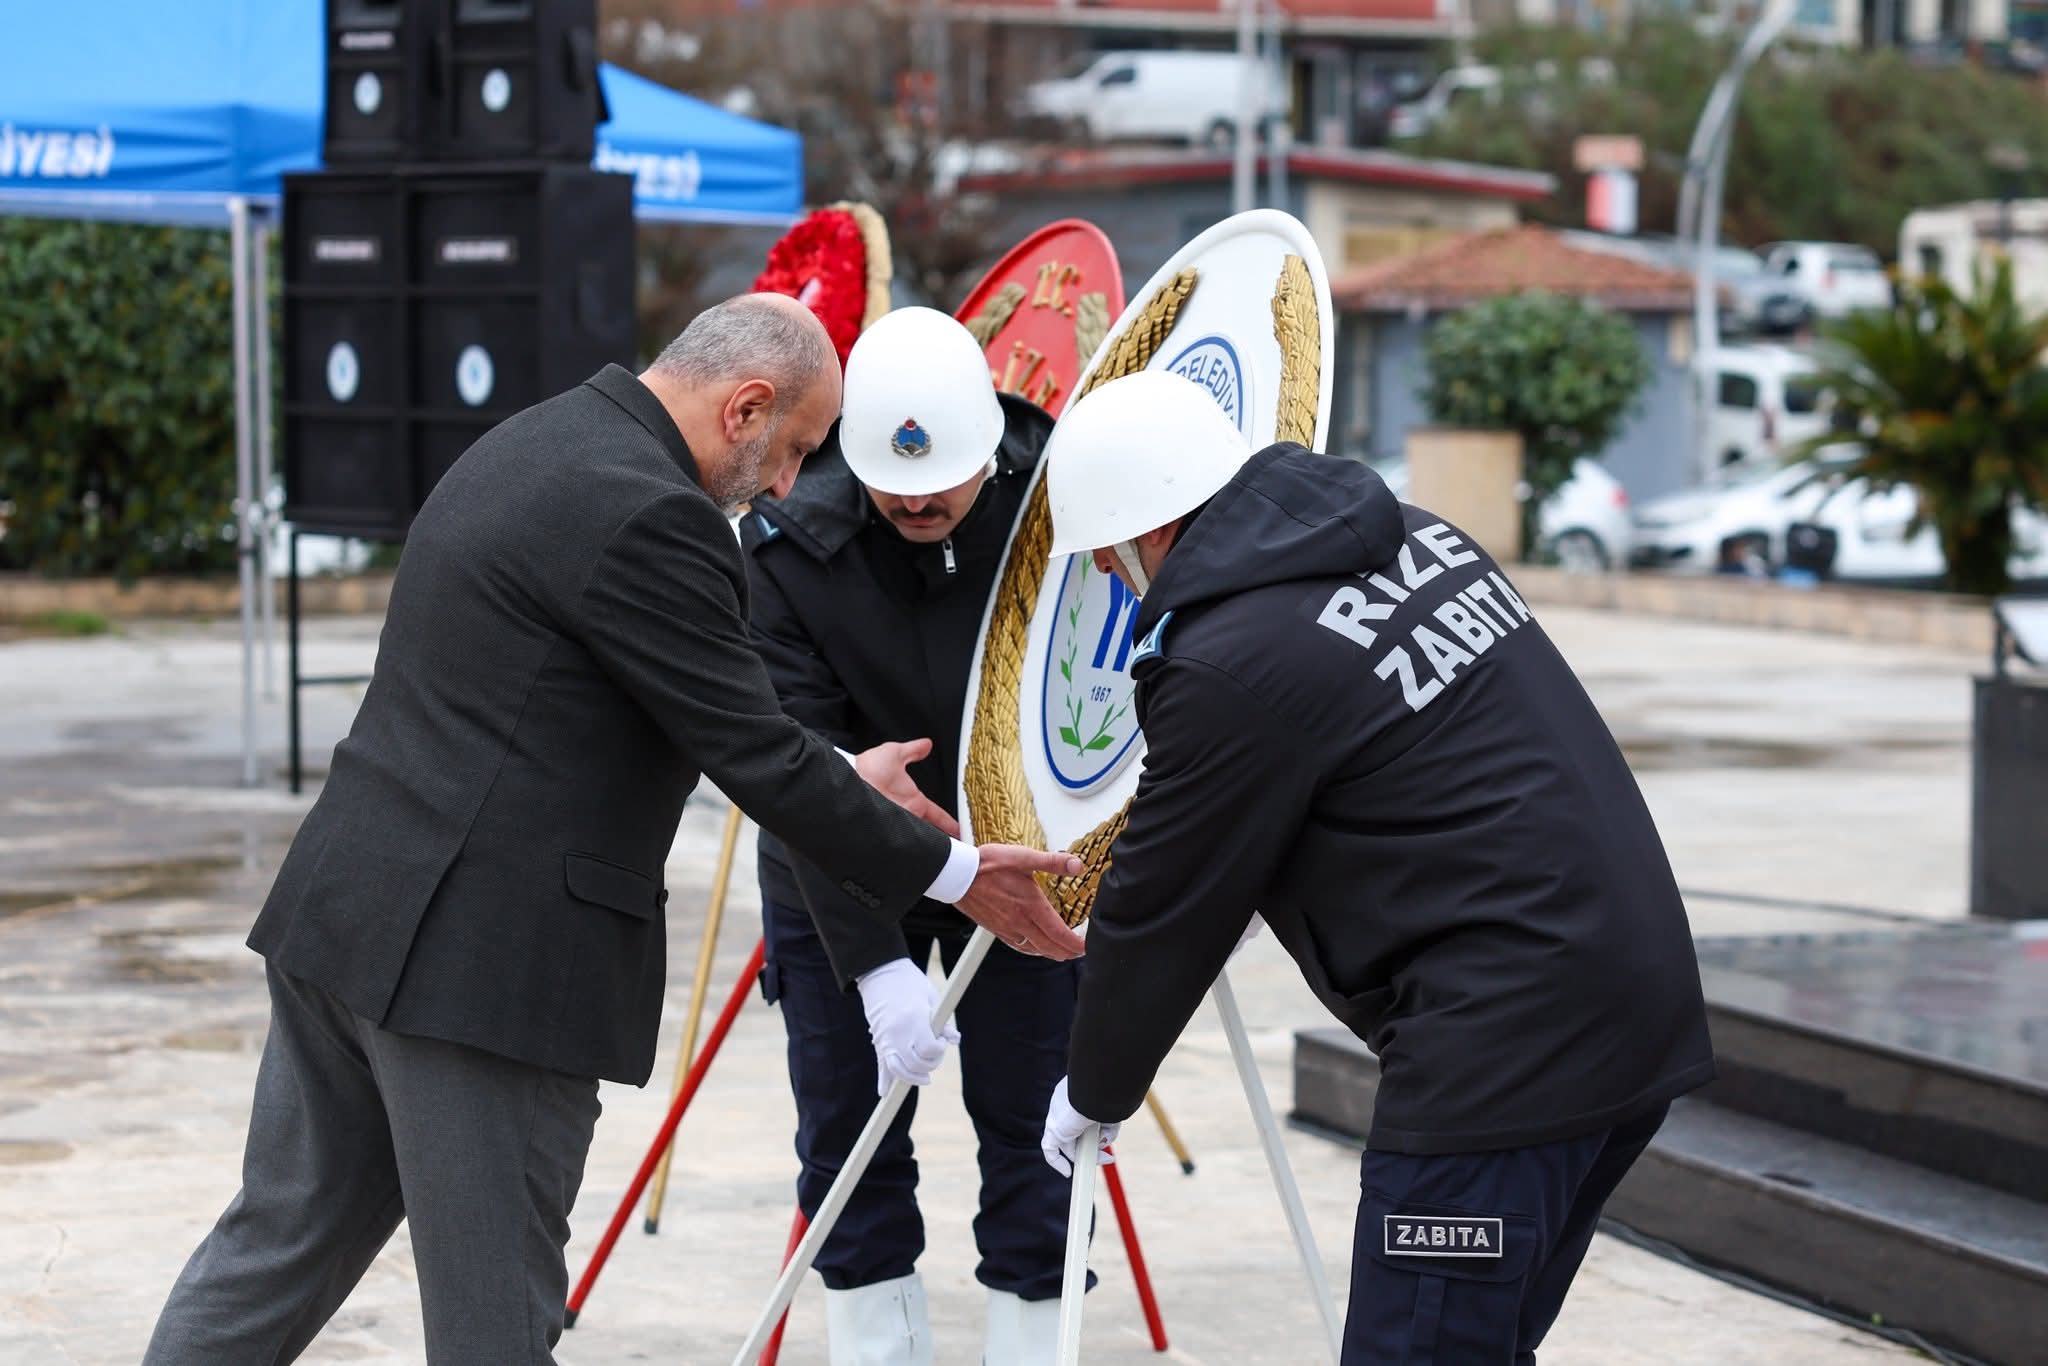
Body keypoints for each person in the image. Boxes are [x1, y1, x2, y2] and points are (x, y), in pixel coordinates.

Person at [141, 293, 1083, 1366]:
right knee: (496, 1328)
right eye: (794, 449)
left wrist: (832, 773)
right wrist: (955, 871)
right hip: (479, 975)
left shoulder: (540, 440)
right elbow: (755, 753)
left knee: (273, 1252)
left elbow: (694, 716)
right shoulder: (656, 516)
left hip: (348, 919)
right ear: (745, 407)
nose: (790, 485)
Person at [1035, 371, 1713, 1364]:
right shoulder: (1419, 536)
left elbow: (1159, 905)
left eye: (1106, 543)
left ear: (1151, 523)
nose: (1104, 564)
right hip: (1625, 1002)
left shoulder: (1228, 661)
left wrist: (1096, 1084)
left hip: (1500, 1057)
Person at [742, 307, 1081, 1365]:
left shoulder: (1064, 498)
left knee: (1040, 1131)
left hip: (1021, 858)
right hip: (840, 863)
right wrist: (874, 961)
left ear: (991, 444)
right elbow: (793, 760)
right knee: (848, 1137)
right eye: (894, 484)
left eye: (942, 481)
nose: (919, 501)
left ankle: (1033, 1347)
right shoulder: (788, 540)